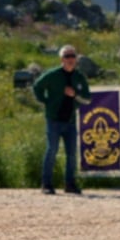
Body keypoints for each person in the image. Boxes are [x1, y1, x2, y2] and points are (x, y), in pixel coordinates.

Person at [33, 45, 90, 195]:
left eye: (72, 56)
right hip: (54, 120)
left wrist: (75, 95)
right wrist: (45, 101)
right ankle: (46, 184)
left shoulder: (79, 77)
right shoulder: (53, 75)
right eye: (67, 56)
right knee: (52, 150)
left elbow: (87, 99)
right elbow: (37, 86)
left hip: (70, 121)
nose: (70, 59)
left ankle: (69, 184)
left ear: (76, 59)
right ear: (61, 59)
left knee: (72, 154)